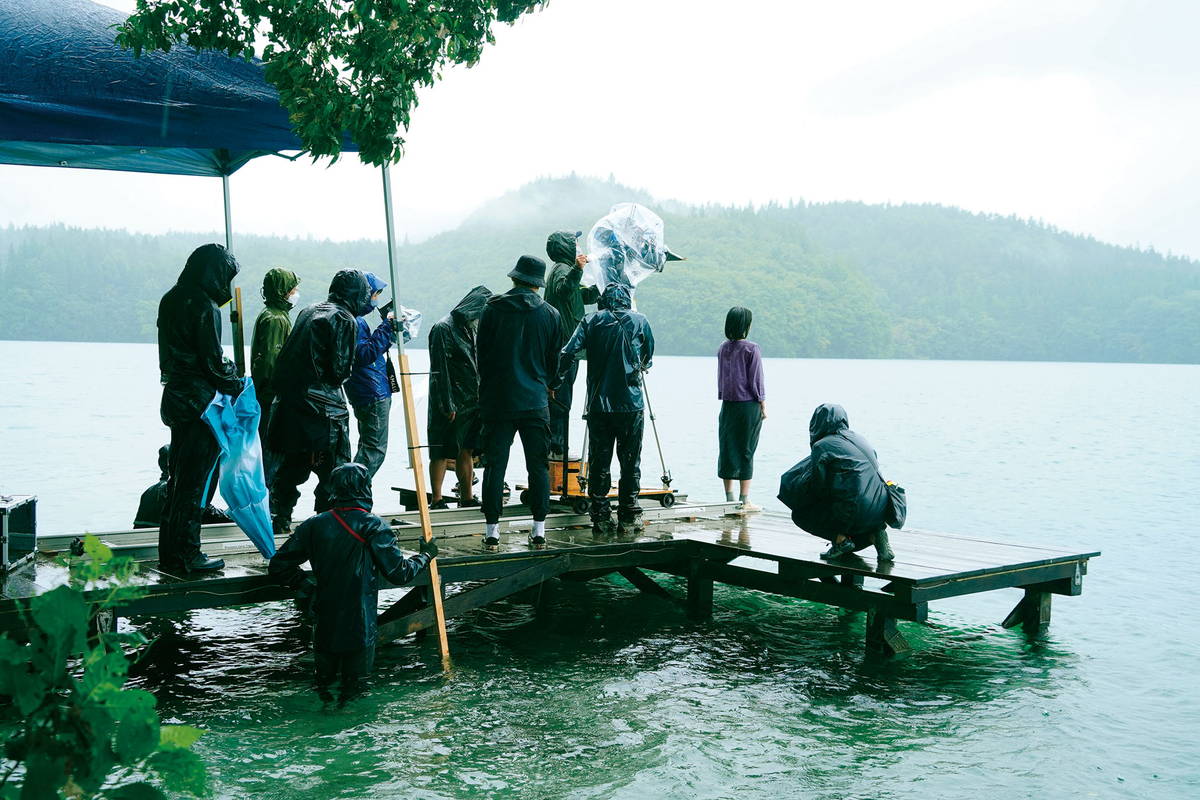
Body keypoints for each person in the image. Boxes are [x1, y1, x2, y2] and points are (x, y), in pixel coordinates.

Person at [268, 462, 438, 706]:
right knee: (356, 688)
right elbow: (399, 573)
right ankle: (348, 728)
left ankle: (321, 723)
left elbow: (278, 566)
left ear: (333, 489)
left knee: (323, 685)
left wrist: (307, 588)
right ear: (365, 488)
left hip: (324, 616)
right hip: (359, 622)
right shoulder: (374, 526)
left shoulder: (313, 525)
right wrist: (426, 555)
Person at [156, 243, 243, 573]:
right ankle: (188, 555)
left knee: (178, 481)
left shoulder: (171, 298)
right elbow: (212, 361)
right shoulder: (205, 306)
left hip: (175, 398)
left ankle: (170, 553)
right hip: (199, 404)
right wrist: (235, 381)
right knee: (195, 485)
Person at [268, 269, 373, 536]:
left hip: (290, 407)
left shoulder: (309, 310)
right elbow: (339, 370)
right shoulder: (344, 318)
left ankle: (279, 522)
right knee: (332, 475)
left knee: (289, 471)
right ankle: (326, 527)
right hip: (325, 411)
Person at [555, 283, 654, 537]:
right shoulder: (639, 320)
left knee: (600, 462)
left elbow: (567, 351)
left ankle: (600, 516)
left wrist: (556, 380)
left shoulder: (591, 321)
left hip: (599, 404)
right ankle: (629, 515)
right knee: (631, 462)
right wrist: (639, 365)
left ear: (603, 300)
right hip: (631, 404)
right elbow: (648, 355)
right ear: (626, 300)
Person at [477, 255, 561, 551]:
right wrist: (548, 384)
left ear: (514, 277)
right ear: (538, 283)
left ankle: (491, 532)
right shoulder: (551, 314)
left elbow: (482, 357)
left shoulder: (492, 310)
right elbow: (555, 361)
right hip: (535, 401)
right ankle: (538, 530)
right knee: (537, 466)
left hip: (498, 401)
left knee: (494, 466)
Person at [777, 403, 895, 562]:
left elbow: (818, 487)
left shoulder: (822, 445)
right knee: (850, 508)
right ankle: (875, 534)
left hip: (854, 512)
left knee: (800, 515)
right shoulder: (859, 438)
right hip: (880, 510)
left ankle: (841, 541)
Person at [427, 285, 492, 509]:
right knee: (441, 450)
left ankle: (467, 497)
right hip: (450, 400)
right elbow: (439, 370)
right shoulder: (443, 328)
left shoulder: (471, 328)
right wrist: (447, 403)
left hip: (471, 400)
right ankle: (436, 498)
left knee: (467, 449)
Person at [543, 230, 599, 459]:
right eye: (574, 243)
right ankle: (556, 449)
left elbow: (582, 297)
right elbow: (563, 290)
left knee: (562, 398)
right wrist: (578, 268)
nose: (578, 246)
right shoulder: (562, 270)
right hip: (564, 349)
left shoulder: (565, 271)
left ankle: (558, 446)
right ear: (565, 247)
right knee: (560, 400)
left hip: (569, 349)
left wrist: (602, 284)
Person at [345, 273, 399, 479]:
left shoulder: (354, 320)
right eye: (375, 294)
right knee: (374, 450)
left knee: (367, 446)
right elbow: (364, 354)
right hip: (371, 391)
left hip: (367, 390)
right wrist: (387, 325)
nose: (376, 299)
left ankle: (351, 493)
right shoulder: (355, 322)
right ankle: (351, 493)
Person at [250, 267, 300, 486]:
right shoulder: (276, 319)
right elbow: (271, 361)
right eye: (292, 288)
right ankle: (266, 504)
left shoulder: (273, 314)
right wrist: (278, 393)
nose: (295, 292)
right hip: (271, 399)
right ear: (282, 291)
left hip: (266, 397)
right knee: (271, 454)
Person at [717, 306, 766, 511]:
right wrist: (762, 404)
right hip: (748, 406)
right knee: (746, 450)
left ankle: (729, 499)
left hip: (728, 405)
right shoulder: (751, 349)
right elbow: (756, 380)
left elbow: (721, 378)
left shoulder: (723, 348)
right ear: (746, 325)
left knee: (727, 449)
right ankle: (744, 500)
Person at [134, 444, 232, 529]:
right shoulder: (177, 489)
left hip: (143, 542)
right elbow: (205, 512)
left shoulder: (148, 492)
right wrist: (234, 516)